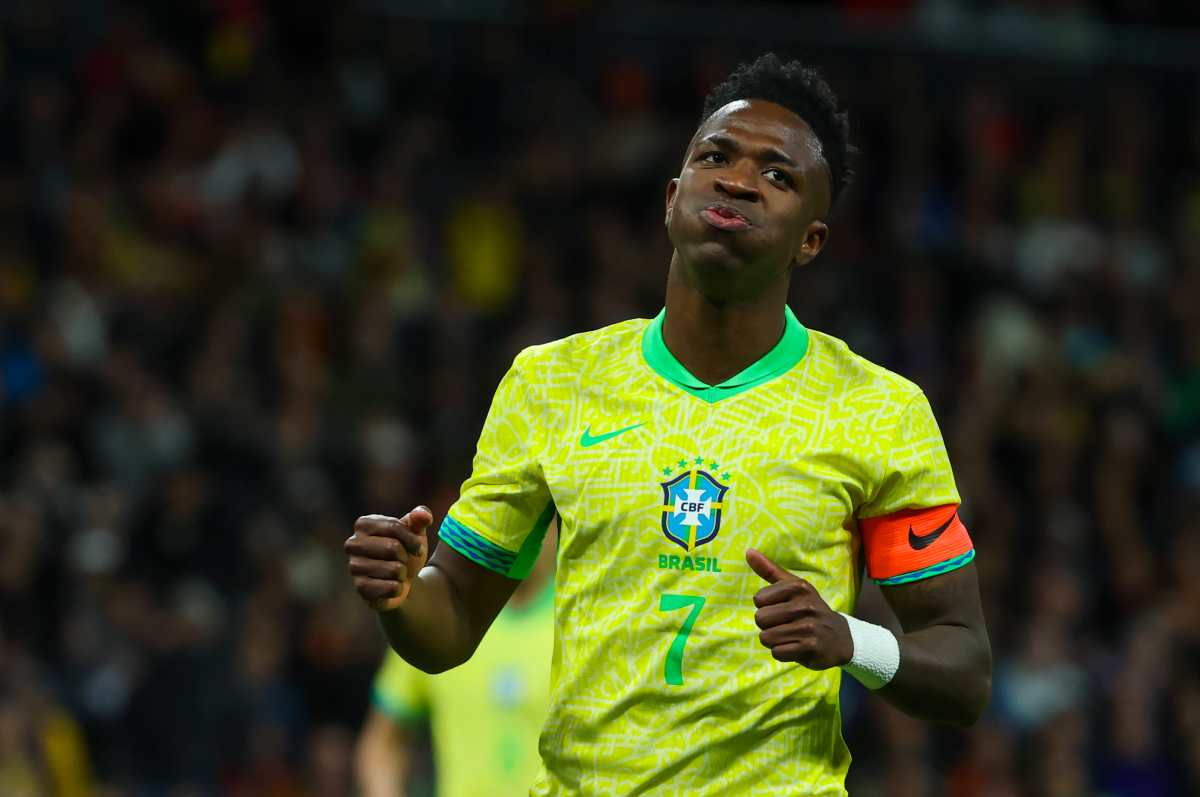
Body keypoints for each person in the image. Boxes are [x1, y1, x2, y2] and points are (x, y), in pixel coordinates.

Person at [345, 53, 991, 796]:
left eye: (777, 175)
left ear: (810, 241)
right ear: (672, 196)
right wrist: (402, 596)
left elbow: (964, 670)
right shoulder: (553, 383)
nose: (738, 181)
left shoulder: (876, 410)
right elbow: (452, 619)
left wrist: (853, 641)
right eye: (716, 156)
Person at [354, 529, 554, 797]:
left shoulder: (580, 620)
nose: (524, 531)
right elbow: (382, 743)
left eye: (541, 520)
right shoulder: (439, 620)